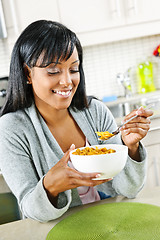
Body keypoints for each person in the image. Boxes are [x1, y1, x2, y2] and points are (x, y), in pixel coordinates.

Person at [0, 20, 153, 223]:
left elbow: (128, 189)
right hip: (58, 228)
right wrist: (51, 186)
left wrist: (130, 147)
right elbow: (31, 210)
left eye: (73, 69)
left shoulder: (95, 111)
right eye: (53, 71)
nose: (66, 81)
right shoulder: (11, 128)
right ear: (28, 73)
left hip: (111, 220)